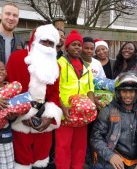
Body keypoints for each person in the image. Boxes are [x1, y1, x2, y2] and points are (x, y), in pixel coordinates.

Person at [6, 24, 62, 168]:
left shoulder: (56, 66)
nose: (48, 45)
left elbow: (55, 93)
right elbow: (11, 89)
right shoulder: (16, 58)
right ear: (35, 40)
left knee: (42, 157)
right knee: (21, 158)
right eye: (45, 41)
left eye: (51, 43)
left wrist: (49, 117)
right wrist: (23, 116)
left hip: (44, 118)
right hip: (21, 117)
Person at [90, 72, 137, 169]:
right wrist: (110, 156)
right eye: (124, 91)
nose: (128, 95)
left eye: (131, 91)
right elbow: (96, 138)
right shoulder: (107, 111)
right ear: (118, 92)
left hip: (135, 161)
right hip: (113, 157)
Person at [55, 30, 95, 169]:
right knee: (63, 145)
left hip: (82, 113)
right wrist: (62, 108)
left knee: (80, 146)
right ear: (66, 47)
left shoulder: (87, 67)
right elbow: (55, 89)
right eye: (73, 44)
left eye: (79, 45)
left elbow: (90, 89)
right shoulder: (60, 64)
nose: (77, 47)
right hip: (65, 111)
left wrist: (92, 107)